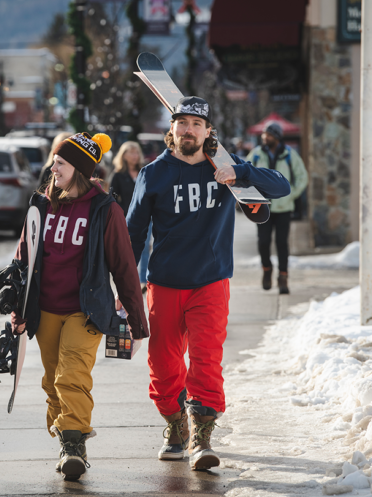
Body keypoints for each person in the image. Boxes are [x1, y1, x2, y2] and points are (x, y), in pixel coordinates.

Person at [126, 96, 290, 470]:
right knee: (163, 367)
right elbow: (132, 234)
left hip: (210, 282)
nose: (188, 130)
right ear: (172, 129)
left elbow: (280, 188)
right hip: (164, 284)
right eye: (181, 123)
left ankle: (203, 434)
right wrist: (123, 286)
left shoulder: (225, 170)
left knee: (206, 362)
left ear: (207, 131)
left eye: (196, 124)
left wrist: (240, 173)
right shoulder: (154, 174)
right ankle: (175, 425)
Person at [12, 132, 149, 481]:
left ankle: (75, 443)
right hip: (45, 309)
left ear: (79, 169)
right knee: (51, 381)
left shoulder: (105, 209)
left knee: (71, 376)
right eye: (54, 162)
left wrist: (136, 317)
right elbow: (23, 260)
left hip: (85, 309)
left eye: (60, 163)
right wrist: (18, 308)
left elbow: (123, 265)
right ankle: (64, 436)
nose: (52, 168)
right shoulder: (41, 205)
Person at [246, 120, 308, 294]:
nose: (265, 137)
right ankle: (267, 269)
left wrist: (291, 194)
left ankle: (283, 277)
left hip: (283, 208)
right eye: (264, 134)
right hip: (262, 207)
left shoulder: (289, 155)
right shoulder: (256, 154)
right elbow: (244, 174)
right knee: (263, 242)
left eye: (269, 134)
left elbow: (302, 177)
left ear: (278, 137)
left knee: (282, 243)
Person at [110, 141, 152, 291]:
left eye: (136, 152)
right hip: (127, 218)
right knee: (128, 248)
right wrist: (121, 213)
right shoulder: (118, 175)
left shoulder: (145, 170)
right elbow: (113, 198)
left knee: (146, 247)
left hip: (147, 217)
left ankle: (142, 281)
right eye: (131, 153)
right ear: (124, 155)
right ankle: (128, 278)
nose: (135, 156)